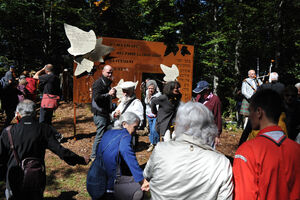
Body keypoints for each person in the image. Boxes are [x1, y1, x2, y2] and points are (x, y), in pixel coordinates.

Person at [0, 100, 90, 200]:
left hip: (13, 178)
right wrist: (80, 160)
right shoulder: (44, 129)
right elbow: (60, 150)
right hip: (36, 176)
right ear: (35, 113)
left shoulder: (8, 132)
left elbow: (1, 158)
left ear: (18, 114)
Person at [143, 102, 233, 199]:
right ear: (210, 127)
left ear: (182, 125)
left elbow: (146, 175)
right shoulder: (222, 163)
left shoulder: (160, 150)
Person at [233, 89, 300, 200]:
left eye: (250, 111)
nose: (249, 116)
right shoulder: (296, 149)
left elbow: (244, 196)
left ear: (259, 112)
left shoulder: (247, 151)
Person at [98, 112, 149, 199]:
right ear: (124, 124)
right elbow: (129, 156)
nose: (135, 131)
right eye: (135, 127)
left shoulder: (108, 133)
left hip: (98, 177)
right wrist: (142, 180)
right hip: (111, 183)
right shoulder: (125, 136)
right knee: (139, 191)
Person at [90, 65, 116, 160]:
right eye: (108, 72)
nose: (110, 74)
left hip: (105, 113)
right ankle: (93, 156)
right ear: (103, 72)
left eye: (111, 72)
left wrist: (112, 95)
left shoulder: (107, 83)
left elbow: (107, 97)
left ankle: (102, 153)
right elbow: (97, 98)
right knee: (100, 135)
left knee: (107, 134)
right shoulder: (98, 83)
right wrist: (108, 94)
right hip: (99, 113)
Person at [193, 80, 222, 146]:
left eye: (201, 91)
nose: (200, 93)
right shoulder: (198, 97)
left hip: (209, 130)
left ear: (207, 90)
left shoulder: (215, 100)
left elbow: (218, 117)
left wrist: (217, 135)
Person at [238, 69, 262, 146]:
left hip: (256, 100)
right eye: (251, 74)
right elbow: (243, 91)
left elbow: (261, 87)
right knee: (247, 116)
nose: (253, 75)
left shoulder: (257, 80)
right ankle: (245, 129)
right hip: (248, 100)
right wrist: (250, 97)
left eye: (254, 74)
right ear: (248, 75)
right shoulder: (245, 81)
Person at [144, 80, 161, 152]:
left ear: (155, 88)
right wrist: (148, 96)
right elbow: (146, 102)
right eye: (149, 88)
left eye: (152, 88)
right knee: (151, 130)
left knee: (154, 130)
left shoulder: (158, 95)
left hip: (155, 115)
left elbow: (157, 105)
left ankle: (155, 144)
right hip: (148, 114)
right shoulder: (147, 93)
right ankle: (152, 143)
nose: (150, 90)